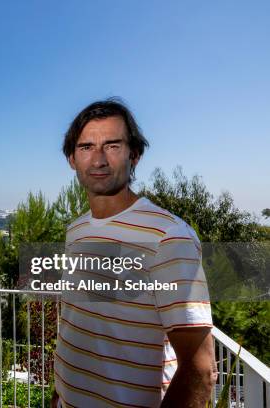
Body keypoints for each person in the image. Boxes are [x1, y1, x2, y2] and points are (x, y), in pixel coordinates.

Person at [52, 99, 217, 407]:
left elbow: (201, 369)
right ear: (72, 159)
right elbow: (76, 323)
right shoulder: (76, 230)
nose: (98, 159)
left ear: (135, 155)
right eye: (86, 147)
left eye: (112, 146)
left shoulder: (168, 236)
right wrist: (58, 395)